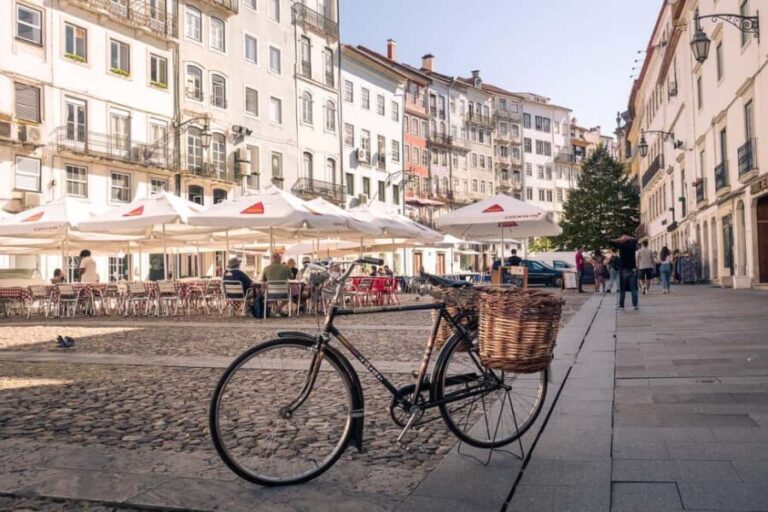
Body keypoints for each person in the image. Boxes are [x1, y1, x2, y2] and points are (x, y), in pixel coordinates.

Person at [610, 234, 639, 310]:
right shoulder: (632, 245)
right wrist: (628, 237)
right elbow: (636, 239)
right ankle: (635, 305)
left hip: (623, 270)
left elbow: (611, 241)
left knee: (622, 289)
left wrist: (619, 239)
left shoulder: (621, 245)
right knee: (634, 289)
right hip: (632, 269)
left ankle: (621, 305)